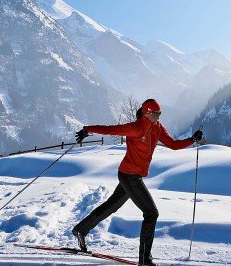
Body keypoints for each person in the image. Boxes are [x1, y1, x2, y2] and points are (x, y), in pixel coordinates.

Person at [71, 99, 203, 266]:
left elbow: (173, 144)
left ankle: (81, 230)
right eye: (155, 114)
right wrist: (87, 130)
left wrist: (192, 139)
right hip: (128, 175)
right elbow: (111, 130)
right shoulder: (135, 128)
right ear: (146, 113)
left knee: (111, 206)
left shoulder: (157, 127)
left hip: (133, 175)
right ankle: (144, 260)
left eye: (159, 114)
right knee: (151, 213)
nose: (157, 117)